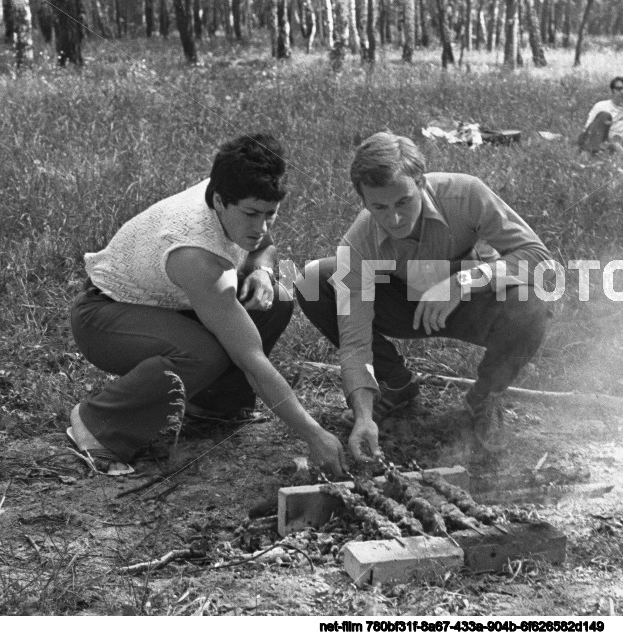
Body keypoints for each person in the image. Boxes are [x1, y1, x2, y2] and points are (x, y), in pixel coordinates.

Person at [67, 134, 347, 477]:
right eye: (252, 214)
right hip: (104, 316)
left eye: (270, 214)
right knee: (202, 353)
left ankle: (215, 406)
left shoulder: (235, 191)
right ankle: (99, 423)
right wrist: (313, 434)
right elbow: (252, 360)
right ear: (219, 200)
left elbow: (266, 247)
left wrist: (261, 270)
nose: (260, 226)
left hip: (170, 304)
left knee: (277, 296)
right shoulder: (195, 254)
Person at [295, 132, 552, 460]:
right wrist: (363, 416)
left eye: (403, 201)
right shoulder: (358, 244)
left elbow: (537, 257)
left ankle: (484, 397)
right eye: (379, 207)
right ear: (363, 201)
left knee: (531, 305)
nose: (394, 218)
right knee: (312, 281)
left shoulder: (466, 194)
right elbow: (355, 342)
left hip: (470, 301)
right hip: (402, 304)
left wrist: (463, 282)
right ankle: (396, 384)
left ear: (421, 183)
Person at [577, 77, 623, 155]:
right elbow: (588, 129)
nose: (622, 92)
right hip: (595, 139)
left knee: (621, 150)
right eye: (618, 89)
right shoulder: (601, 105)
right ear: (612, 91)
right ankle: (587, 154)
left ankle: (598, 153)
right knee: (605, 115)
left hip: (613, 145)